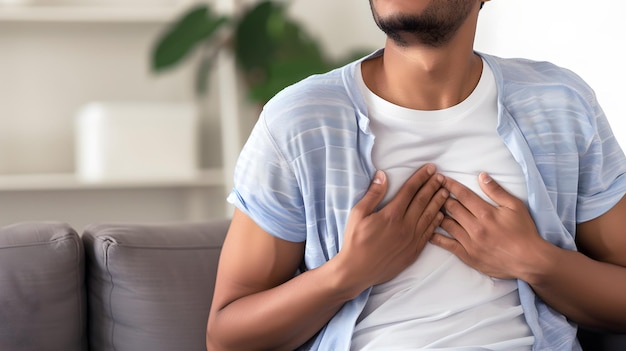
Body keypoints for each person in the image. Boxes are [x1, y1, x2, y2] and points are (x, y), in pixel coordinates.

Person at [206, 0, 626, 349]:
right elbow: (226, 336)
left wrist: (537, 261)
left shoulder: (560, 104)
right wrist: (346, 275)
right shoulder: (300, 120)